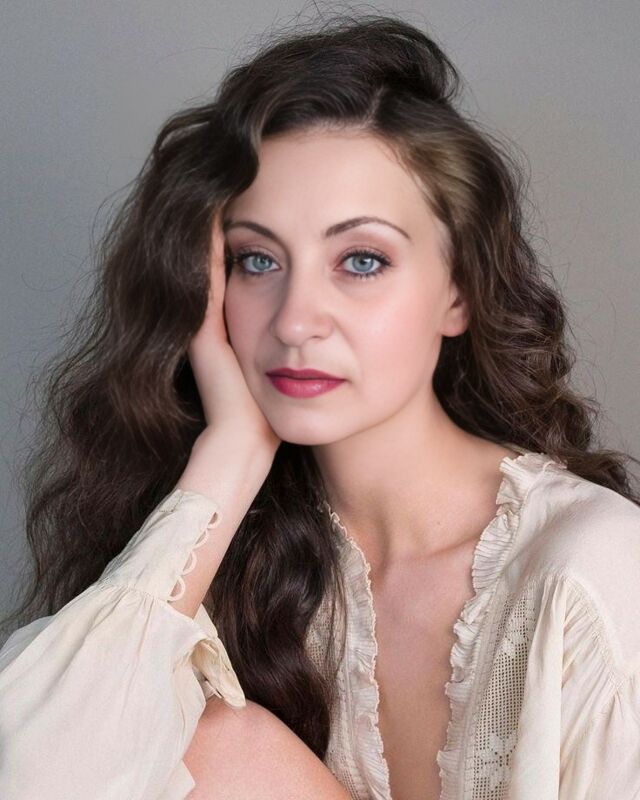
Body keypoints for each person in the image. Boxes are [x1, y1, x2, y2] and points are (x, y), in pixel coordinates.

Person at [0, 12, 639, 800]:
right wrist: (229, 457)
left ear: (459, 292)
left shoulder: (590, 572)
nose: (297, 319)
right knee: (209, 741)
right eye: (257, 260)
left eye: (361, 260)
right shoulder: (245, 563)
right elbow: (33, 773)